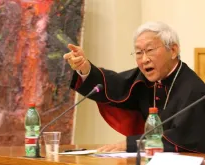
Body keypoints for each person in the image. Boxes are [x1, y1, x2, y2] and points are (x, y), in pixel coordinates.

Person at [63, 21, 205, 153]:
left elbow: (185, 140)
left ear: (173, 50)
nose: (144, 59)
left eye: (150, 50)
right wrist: (85, 69)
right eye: (138, 52)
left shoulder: (195, 90)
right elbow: (115, 85)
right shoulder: (146, 78)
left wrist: (132, 144)